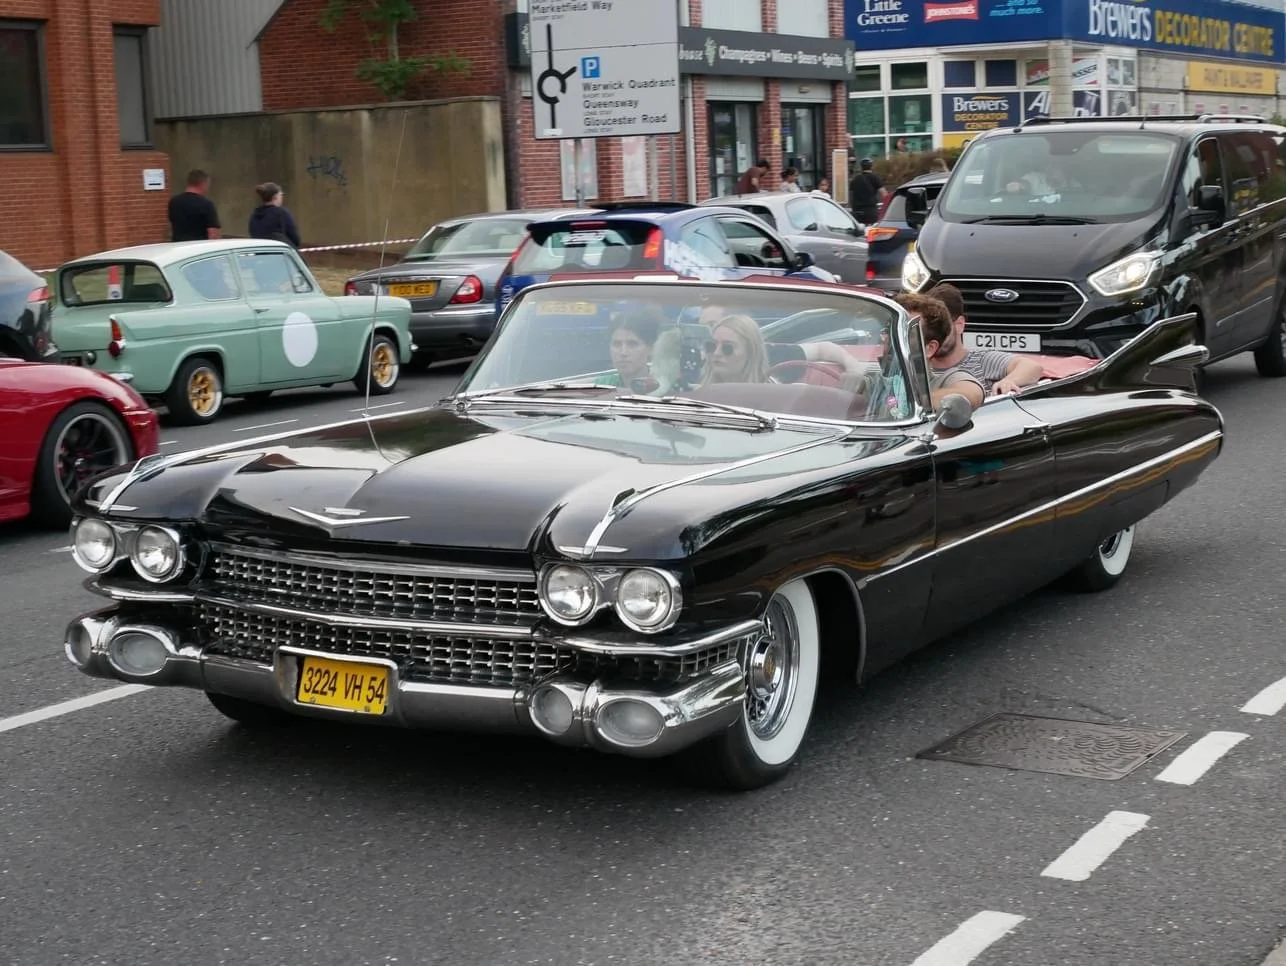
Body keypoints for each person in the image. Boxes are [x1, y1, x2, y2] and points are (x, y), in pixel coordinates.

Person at [696, 303, 873, 380]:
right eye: (710, 345)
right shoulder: (691, 363)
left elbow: (822, 349)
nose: (716, 353)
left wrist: (854, 367)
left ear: (751, 351)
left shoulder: (772, 357)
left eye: (728, 348)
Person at [927, 283, 1043, 395]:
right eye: (930, 328)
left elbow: (1032, 367)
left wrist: (1009, 381)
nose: (935, 335)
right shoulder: (917, 369)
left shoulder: (982, 361)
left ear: (959, 325)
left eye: (942, 328)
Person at [892, 292, 985, 409]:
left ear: (929, 349)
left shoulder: (945, 380)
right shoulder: (875, 381)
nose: (888, 338)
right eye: (888, 330)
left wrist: (912, 403)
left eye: (904, 333)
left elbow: (971, 393)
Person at [595, 308, 666, 393]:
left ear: (651, 349)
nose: (623, 352)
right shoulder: (601, 386)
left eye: (632, 344)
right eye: (617, 344)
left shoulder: (665, 386)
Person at [703, 314, 769, 384]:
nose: (716, 353)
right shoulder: (698, 391)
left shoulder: (773, 393)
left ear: (750, 353)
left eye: (727, 348)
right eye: (711, 346)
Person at [168, 169, 221, 242]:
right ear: (203, 184)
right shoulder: (206, 204)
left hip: (178, 247)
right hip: (199, 249)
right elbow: (213, 234)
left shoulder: (174, 202)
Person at [248, 182, 303, 249]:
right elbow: (295, 239)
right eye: (281, 195)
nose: (282, 197)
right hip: (278, 254)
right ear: (275, 197)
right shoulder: (281, 213)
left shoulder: (254, 216)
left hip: (260, 254)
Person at [849, 158, 883, 225]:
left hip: (857, 210)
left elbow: (851, 195)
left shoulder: (856, 179)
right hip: (871, 210)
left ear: (861, 167)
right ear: (871, 166)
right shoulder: (875, 178)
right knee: (871, 229)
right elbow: (884, 193)